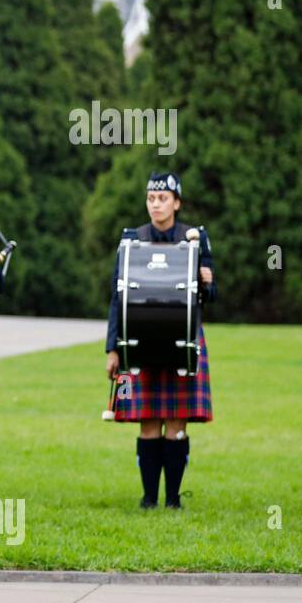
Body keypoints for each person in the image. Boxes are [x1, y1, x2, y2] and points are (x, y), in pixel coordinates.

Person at [105, 171, 215, 509]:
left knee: (176, 423)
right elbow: (117, 296)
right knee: (148, 420)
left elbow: (210, 297)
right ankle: (149, 498)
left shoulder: (195, 240)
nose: (156, 204)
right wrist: (112, 348)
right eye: (151, 198)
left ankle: (173, 499)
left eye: (163, 198)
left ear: (176, 203)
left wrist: (207, 282)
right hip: (140, 339)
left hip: (183, 339)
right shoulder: (132, 240)